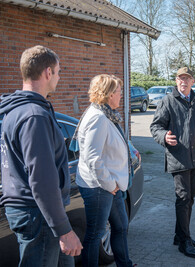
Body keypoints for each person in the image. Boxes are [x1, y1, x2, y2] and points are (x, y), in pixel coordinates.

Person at [0, 45, 82, 266]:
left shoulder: (13, 111)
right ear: (48, 72)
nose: (58, 77)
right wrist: (64, 230)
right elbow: (42, 180)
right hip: (37, 214)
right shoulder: (34, 116)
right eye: (58, 71)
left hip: (32, 211)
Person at [150, 67, 195, 259]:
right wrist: (164, 136)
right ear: (176, 80)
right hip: (179, 157)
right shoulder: (168, 101)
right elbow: (156, 126)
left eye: (187, 79)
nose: (183, 82)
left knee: (190, 199)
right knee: (184, 198)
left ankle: (180, 236)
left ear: (193, 81)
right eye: (180, 79)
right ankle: (185, 241)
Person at [75, 74, 134, 266]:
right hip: (100, 187)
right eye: (118, 91)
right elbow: (93, 158)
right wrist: (110, 185)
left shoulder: (106, 114)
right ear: (109, 95)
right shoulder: (98, 118)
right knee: (95, 234)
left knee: (121, 226)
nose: (121, 95)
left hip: (111, 185)